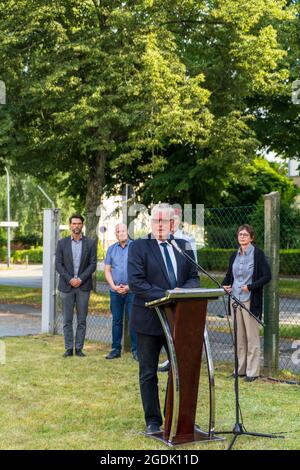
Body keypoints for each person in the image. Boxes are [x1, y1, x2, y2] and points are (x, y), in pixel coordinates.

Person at [128, 203, 199, 434]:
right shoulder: (139, 246)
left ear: (173, 224)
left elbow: (194, 279)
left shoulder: (184, 246)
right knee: (148, 373)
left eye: (164, 221)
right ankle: (153, 421)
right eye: (155, 221)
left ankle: (176, 417)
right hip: (148, 320)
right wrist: (170, 295)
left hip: (178, 321)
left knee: (180, 371)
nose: (159, 225)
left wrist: (181, 293)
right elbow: (137, 283)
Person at [222, 224, 271, 382]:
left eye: (245, 235)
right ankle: (240, 369)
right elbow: (230, 276)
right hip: (235, 300)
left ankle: (252, 372)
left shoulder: (258, 254)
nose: (242, 237)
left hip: (250, 300)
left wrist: (250, 286)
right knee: (239, 337)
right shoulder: (234, 255)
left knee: (252, 337)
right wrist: (225, 285)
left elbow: (267, 276)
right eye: (240, 234)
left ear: (252, 238)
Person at [56, 214, 97, 357]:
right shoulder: (62, 243)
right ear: (70, 226)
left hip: (83, 286)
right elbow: (58, 265)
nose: (76, 226)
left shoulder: (90, 243)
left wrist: (80, 279)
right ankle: (68, 348)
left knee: (82, 319)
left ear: (82, 225)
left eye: (79, 223)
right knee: (67, 319)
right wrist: (70, 279)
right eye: (74, 223)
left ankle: (79, 348)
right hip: (67, 286)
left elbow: (93, 264)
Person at [104, 223, 137, 361]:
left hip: (132, 291)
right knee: (116, 321)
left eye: (123, 230)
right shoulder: (111, 249)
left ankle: (136, 351)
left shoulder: (136, 247)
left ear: (127, 232)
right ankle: (115, 349)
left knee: (134, 321)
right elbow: (107, 270)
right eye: (118, 231)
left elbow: (140, 270)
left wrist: (129, 286)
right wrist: (114, 286)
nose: (121, 233)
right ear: (115, 234)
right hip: (115, 291)